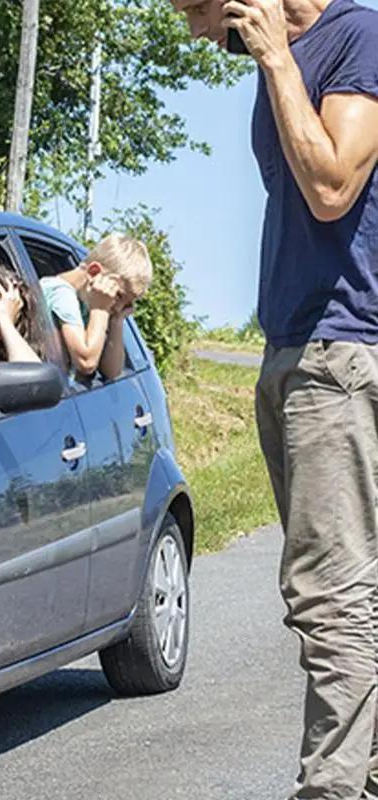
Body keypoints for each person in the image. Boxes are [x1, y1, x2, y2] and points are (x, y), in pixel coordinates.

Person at [171, 0, 378, 796]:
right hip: (296, 346)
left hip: (338, 354)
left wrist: (279, 60)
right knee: (353, 597)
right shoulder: (278, 64)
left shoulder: (356, 39)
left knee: (332, 597)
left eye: (197, 9)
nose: (196, 32)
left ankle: (331, 789)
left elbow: (331, 188)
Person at [40, 233, 152, 381]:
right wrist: (100, 310)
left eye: (127, 304)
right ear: (94, 273)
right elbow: (86, 362)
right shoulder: (59, 292)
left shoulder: (88, 303)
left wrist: (117, 321)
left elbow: (112, 372)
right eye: (118, 295)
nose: (118, 308)